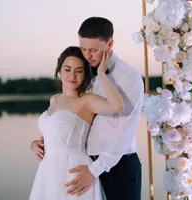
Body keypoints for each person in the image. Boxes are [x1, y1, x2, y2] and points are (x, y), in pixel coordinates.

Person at [31, 17, 144, 200]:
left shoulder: (129, 78)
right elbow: (71, 118)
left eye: (93, 50)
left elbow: (124, 134)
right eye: (83, 48)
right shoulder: (84, 70)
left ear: (110, 43)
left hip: (117, 166)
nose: (87, 55)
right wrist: (45, 142)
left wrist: (95, 170)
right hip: (83, 163)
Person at [29, 46, 124, 200]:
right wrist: (35, 145)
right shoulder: (55, 99)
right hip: (48, 170)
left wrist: (101, 74)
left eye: (79, 70)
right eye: (67, 69)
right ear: (59, 72)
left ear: (85, 74)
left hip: (72, 171)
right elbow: (55, 133)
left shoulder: (87, 100)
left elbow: (117, 105)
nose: (72, 75)